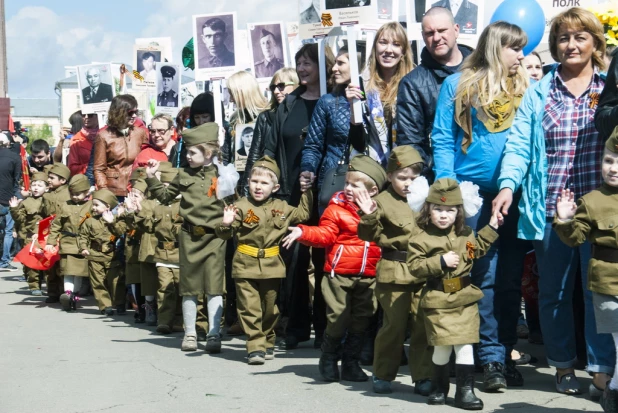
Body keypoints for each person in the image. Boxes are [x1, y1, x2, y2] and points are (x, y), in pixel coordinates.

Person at [494, 7, 615, 396]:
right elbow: (518, 146)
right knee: (555, 292)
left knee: (601, 292)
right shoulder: (540, 90)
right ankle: (563, 367)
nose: (571, 44)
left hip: (599, 212)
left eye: (580, 37)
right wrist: (508, 185)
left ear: (594, 42)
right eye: (563, 38)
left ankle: (601, 368)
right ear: (555, 45)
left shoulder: (608, 88)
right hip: (549, 210)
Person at [431, 21, 529, 391]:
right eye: (514, 48)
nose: (521, 55)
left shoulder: (524, 88)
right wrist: (449, 188)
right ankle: (488, 358)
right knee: (482, 277)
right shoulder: (457, 85)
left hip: (513, 195)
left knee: (508, 280)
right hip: (472, 198)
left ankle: (505, 353)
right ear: (494, 48)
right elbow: (442, 137)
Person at [282, 155, 385, 383]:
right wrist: (304, 232)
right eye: (346, 183)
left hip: (368, 275)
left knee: (361, 320)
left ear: (373, 190)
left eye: (355, 186)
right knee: (338, 318)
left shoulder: (380, 211)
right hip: (339, 275)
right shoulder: (336, 208)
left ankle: (351, 362)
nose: (347, 188)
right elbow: (325, 234)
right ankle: (328, 358)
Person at [408, 178, 503, 410]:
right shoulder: (421, 237)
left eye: (450, 210)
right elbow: (415, 266)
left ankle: (465, 392)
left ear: (459, 212)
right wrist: (440, 261)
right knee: (442, 347)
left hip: (465, 299)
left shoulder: (466, 234)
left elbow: (476, 250)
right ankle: (439, 388)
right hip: (438, 301)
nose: (443, 215)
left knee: (465, 345)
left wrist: (491, 228)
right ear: (427, 209)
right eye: (437, 209)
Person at [145, 123, 237, 353]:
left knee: (215, 287)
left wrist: (229, 222)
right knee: (189, 287)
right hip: (189, 237)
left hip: (215, 238)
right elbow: (166, 197)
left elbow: (234, 203)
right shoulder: (183, 174)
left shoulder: (222, 173)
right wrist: (151, 178)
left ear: (208, 153)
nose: (187, 156)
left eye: (192, 152)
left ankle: (214, 333)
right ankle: (190, 333)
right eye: (187, 151)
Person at [264, 44, 331, 350]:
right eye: (299, 64)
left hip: (327, 188)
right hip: (293, 190)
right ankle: (297, 324)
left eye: (309, 63)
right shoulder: (288, 104)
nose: (303, 69)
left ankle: (325, 325)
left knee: (325, 256)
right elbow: (272, 146)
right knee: (296, 259)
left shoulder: (334, 100)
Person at [216, 156, 313, 364]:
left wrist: (306, 191)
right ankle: (255, 346)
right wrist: (225, 223)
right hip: (244, 264)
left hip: (271, 266)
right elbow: (224, 235)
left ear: (275, 186)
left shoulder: (282, 207)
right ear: (248, 182)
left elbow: (303, 214)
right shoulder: (240, 206)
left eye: (264, 183)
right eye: (254, 181)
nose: (258, 187)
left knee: (270, 309)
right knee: (249, 308)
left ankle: (268, 339)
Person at [356, 146, 432, 395]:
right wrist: (367, 216)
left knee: (422, 325)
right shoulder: (381, 202)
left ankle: (423, 376)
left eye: (413, 177)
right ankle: (383, 373)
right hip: (394, 272)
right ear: (389, 176)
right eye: (401, 177)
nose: (408, 183)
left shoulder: (426, 199)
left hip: (423, 271)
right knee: (394, 326)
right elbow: (368, 235)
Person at [553, 131, 618, 413]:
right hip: (607, 286)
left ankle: (611, 394)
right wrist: (565, 219)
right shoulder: (592, 200)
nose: (613, 168)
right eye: (608, 160)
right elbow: (575, 238)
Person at [397, 6, 472, 179]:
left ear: (456, 30)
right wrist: (438, 176)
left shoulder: (482, 71)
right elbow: (411, 144)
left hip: (480, 177)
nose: (437, 38)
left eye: (442, 30)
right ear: (423, 36)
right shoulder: (412, 84)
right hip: (439, 181)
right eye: (430, 33)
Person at [346, 21, 414, 167]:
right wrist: (353, 107)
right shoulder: (360, 83)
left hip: (405, 168)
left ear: (403, 52)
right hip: (370, 169)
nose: (389, 50)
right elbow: (357, 142)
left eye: (396, 44)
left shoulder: (413, 84)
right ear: (375, 47)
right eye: (383, 42)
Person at [132, 163, 183, 334]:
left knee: (180, 288)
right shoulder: (158, 206)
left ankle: (179, 319)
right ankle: (164, 321)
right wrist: (139, 213)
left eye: (168, 187)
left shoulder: (183, 206)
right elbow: (149, 227)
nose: (165, 191)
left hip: (180, 254)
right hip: (162, 254)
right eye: (163, 187)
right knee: (164, 288)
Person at [244, 67, 299, 195]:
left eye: (281, 86)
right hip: (272, 188)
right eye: (273, 87)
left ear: (296, 85)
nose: (276, 91)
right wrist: (246, 193)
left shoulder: (306, 114)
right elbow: (254, 155)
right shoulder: (265, 117)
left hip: (300, 183)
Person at [45, 174, 92, 311]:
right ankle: (68, 294)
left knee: (78, 272)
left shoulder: (90, 206)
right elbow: (56, 225)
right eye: (72, 194)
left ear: (87, 192)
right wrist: (51, 241)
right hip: (68, 243)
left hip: (83, 244)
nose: (75, 197)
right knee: (67, 271)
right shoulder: (65, 205)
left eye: (78, 194)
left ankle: (74, 295)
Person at [79, 189, 126, 316]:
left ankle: (120, 303)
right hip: (94, 256)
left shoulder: (116, 219)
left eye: (97, 205)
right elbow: (83, 236)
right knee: (98, 282)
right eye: (93, 205)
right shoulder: (89, 221)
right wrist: (83, 247)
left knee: (116, 281)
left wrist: (112, 223)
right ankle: (105, 306)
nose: (93, 208)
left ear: (108, 206)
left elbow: (120, 232)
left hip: (112, 256)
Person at [93, 95, 148, 198]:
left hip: (136, 190)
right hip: (113, 193)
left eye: (136, 112)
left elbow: (145, 162)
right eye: (130, 112)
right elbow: (99, 169)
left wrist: (142, 186)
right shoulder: (103, 136)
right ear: (119, 112)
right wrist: (104, 193)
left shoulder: (140, 133)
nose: (134, 116)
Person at [9, 172, 47, 294]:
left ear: (47, 188)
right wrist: (14, 208)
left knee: (47, 262)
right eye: (34, 185)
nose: (36, 187)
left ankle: (49, 286)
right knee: (32, 263)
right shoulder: (26, 202)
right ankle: (34, 286)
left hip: (46, 237)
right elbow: (20, 219)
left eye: (40, 185)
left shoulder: (49, 200)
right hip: (30, 237)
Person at [41, 163, 72, 302]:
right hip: (49, 233)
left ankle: (63, 292)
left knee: (62, 265)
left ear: (63, 180)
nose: (49, 180)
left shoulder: (69, 194)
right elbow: (42, 214)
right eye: (49, 177)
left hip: (63, 234)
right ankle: (52, 292)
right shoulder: (46, 195)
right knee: (50, 265)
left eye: (52, 178)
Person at [0, 134, 22, 271]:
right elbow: (17, 179)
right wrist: (17, 195)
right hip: (8, 198)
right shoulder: (14, 157)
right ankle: (4, 260)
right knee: (8, 231)